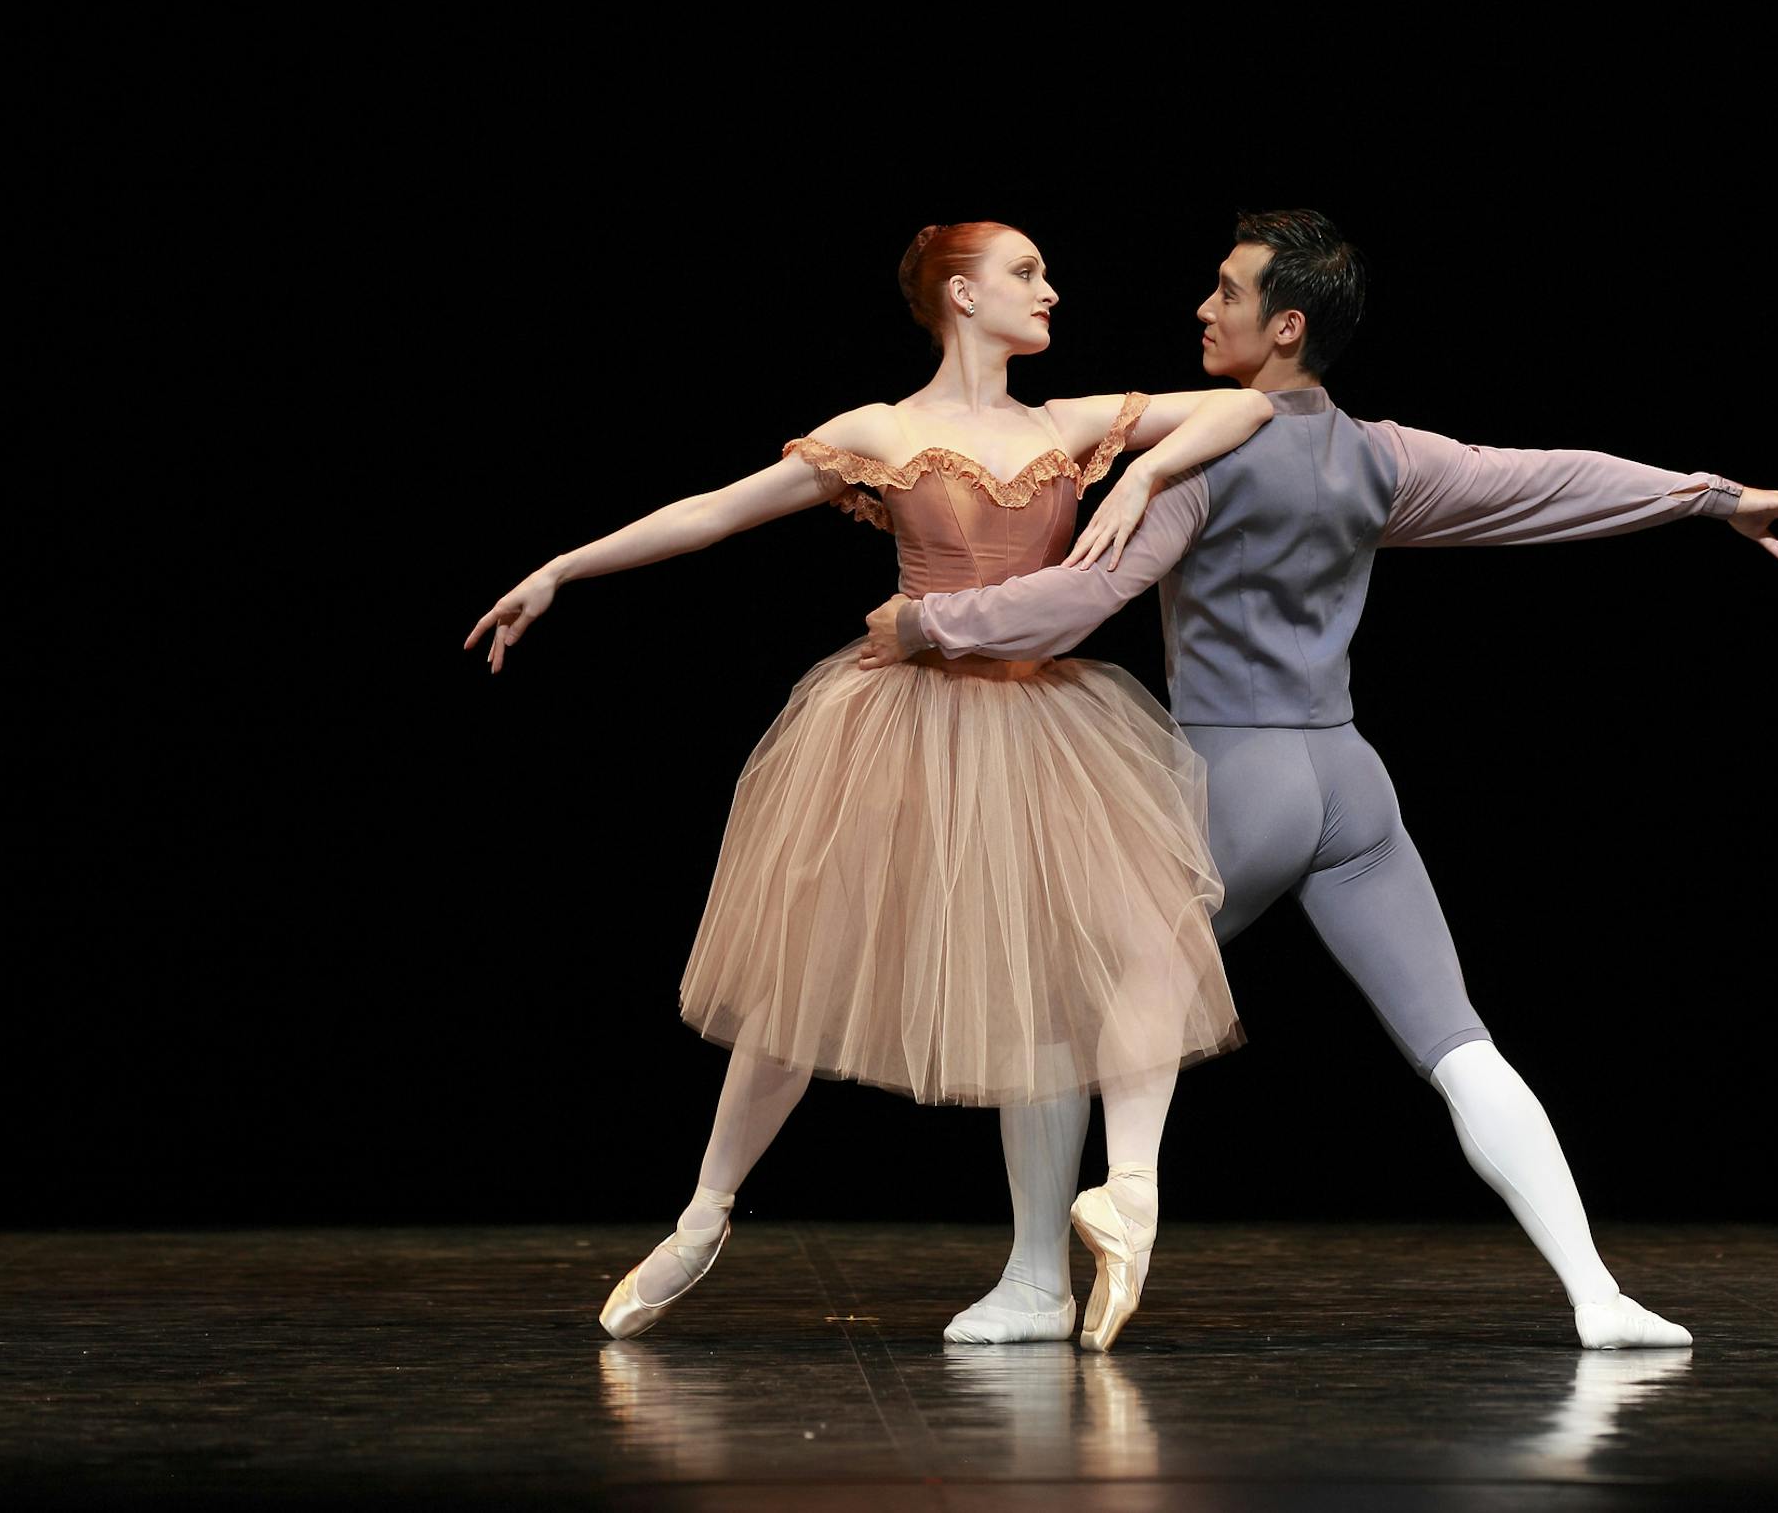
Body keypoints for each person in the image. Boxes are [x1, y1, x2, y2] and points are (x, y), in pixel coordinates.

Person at [859, 209, 1778, 1351]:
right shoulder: (1379, 455)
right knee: (1457, 1038)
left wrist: (928, 621)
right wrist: (1712, 497)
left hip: (1235, 777)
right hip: (1350, 785)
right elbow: (1545, 481)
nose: (1201, 308)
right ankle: (1598, 1292)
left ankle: (1040, 1279)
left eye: (1225, 293)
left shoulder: (1204, 458)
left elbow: (1081, 597)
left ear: (1284, 326)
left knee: (1055, 1010)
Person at [465, 220, 1269, 1349]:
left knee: (1068, 979)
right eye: (1026, 273)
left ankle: (1051, 1258)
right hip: (902, 719)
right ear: (958, 293)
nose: (1052, 289)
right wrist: (562, 567)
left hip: (1045, 718)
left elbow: (1249, 406)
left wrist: (1143, 474)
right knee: (808, 961)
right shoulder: (883, 430)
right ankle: (704, 1212)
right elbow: (717, 509)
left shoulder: (1066, 423)